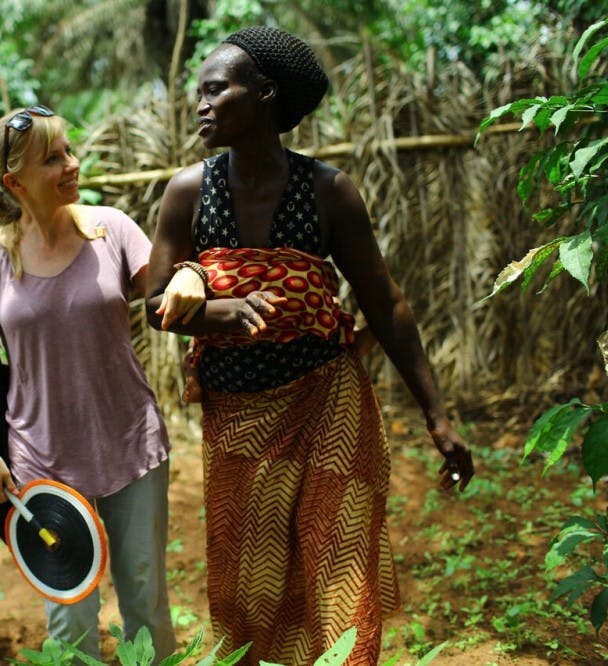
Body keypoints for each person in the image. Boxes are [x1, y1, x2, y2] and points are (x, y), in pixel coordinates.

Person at [145, 26, 476, 665]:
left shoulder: (328, 191)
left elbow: (387, 304)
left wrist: (437, 416)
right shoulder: (189, 192)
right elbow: (158, 304)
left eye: (217, 90)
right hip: (237, 416)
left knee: (339, 571)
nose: (201, 105)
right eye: (199, 93)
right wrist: (219, 311)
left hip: (330, 404)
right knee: (248, 587)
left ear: (265, 94)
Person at [0, 106, 204, 661]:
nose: (72, 164)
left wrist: (191, 273)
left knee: (145, 602)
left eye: (69, 151)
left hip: (130, 446)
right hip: (41, 461)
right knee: (69, 618)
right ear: (14, 182)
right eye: (54, 159)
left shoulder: (112, 229)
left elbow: (167, 295)